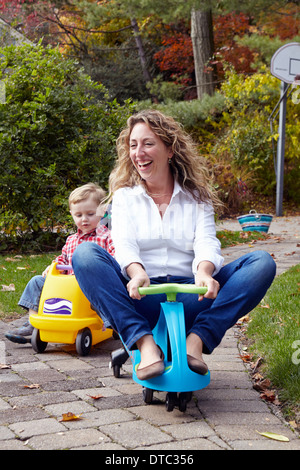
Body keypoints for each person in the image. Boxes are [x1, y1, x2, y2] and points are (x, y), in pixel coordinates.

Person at [72, 109, 276, 381]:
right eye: (133, 145)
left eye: (148, 143)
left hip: (192, 294)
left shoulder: (196, 197)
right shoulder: (124, 198)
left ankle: (197, 341)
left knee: (262, 263)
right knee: (84, 254)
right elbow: (123, 243)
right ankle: (144, 345)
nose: (138, 153)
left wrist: (204, 272)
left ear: (169, 149)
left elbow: (206, 240)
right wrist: (136, 272)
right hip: (141, 294)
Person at [5, 183, 115, 344]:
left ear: (102, 212)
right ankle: (33, 322)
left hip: (89, 286)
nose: (84, 219)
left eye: (90, 214)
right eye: (78, 215)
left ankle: (111, 321)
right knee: (36, 281)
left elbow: (114, 257)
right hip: (66, 286)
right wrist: (54, 265)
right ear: (72, 214)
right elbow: (63, 258)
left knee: (100, 292)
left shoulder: (106, 237)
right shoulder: (71, 239)